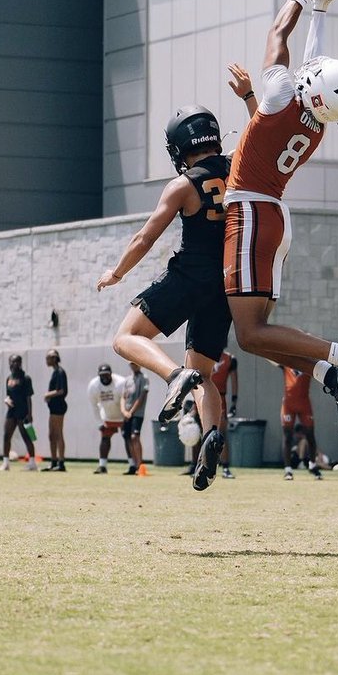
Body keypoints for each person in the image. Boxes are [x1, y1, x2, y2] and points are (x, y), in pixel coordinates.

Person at [223, 0, 338, 444]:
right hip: (270, 215)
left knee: (250, 335)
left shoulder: (278, 97)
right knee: (257, 333)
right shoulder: (317, 125)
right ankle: (327, 373)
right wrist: (321, 9)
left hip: (251, 213)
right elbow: (311, 67)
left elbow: (278, 37)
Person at [96, 105, 232, 493]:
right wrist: (251, 97)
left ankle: (174, 376)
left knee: (125, 338)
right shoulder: (238, 168)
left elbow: (145, 238)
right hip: (223, 285)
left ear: (180, 146)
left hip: (189, 274)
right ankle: (209, 436)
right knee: (205, 373)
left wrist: (117, 273)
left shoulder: (182, 186)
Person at [280, 366, 322, 480]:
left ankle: (312, 464)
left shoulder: (306, 363)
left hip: (304, 403)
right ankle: (288, 469)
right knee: (287, 436)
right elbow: (272, 358)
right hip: (288, 404)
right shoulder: (286, 363)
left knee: (310, 435)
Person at [88, 362, 127, 474]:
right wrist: (99, 422)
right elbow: (94, 406)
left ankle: (133, 466)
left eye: (107, 374)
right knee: (105, 439)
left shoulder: (120, 382)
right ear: (98, 375)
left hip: (122, 415)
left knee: (128, 439)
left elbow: (126, 401)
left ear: (111, 374)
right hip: (107, 416)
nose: (104, 377)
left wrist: (126, 415)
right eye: (102, 375)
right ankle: (102, 466)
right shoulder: (94, 386)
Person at [0, 354, 36, 470]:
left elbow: (28, 397)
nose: (14, 364)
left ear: (20, 363)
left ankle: (32, 463)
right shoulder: (9, 378)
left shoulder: (25, 378)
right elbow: (8, 395)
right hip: (11, 411)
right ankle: (5, 463)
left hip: (23, 411)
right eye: (12, 361)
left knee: (26, 436)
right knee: (6, 436)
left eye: (17, 362)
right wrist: (7, 400)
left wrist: (29, 414)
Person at [210, 349, 238, 479]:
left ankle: (225, 467)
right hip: (205, 395)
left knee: (221, 433)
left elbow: (234, 380)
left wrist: (234, 401)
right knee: (201, 431)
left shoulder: (229, 358)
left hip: (220, 397)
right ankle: (198, 465)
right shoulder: (205, 353)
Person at [120, 362, 149, 475]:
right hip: (126, 413)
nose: (133, 366)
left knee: (134, 437)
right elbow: (123, 397)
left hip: (137, 414)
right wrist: (124, 411)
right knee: (127, 437)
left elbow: (142, 396)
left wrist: (131, 412)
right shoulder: (127, 380)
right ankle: (133, 465)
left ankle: (140, 465)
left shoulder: (144, 378)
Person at [43, 348, 68, 471]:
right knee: (51, 434)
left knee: (58, 433)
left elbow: (62, 391)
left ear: (54, 358)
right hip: (53, 408)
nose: (46, 360)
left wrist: (48, 395)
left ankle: (61, 462)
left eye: (48, 358)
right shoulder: (55, 372)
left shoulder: (60, 372)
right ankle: (53, 461)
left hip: (59, 407)